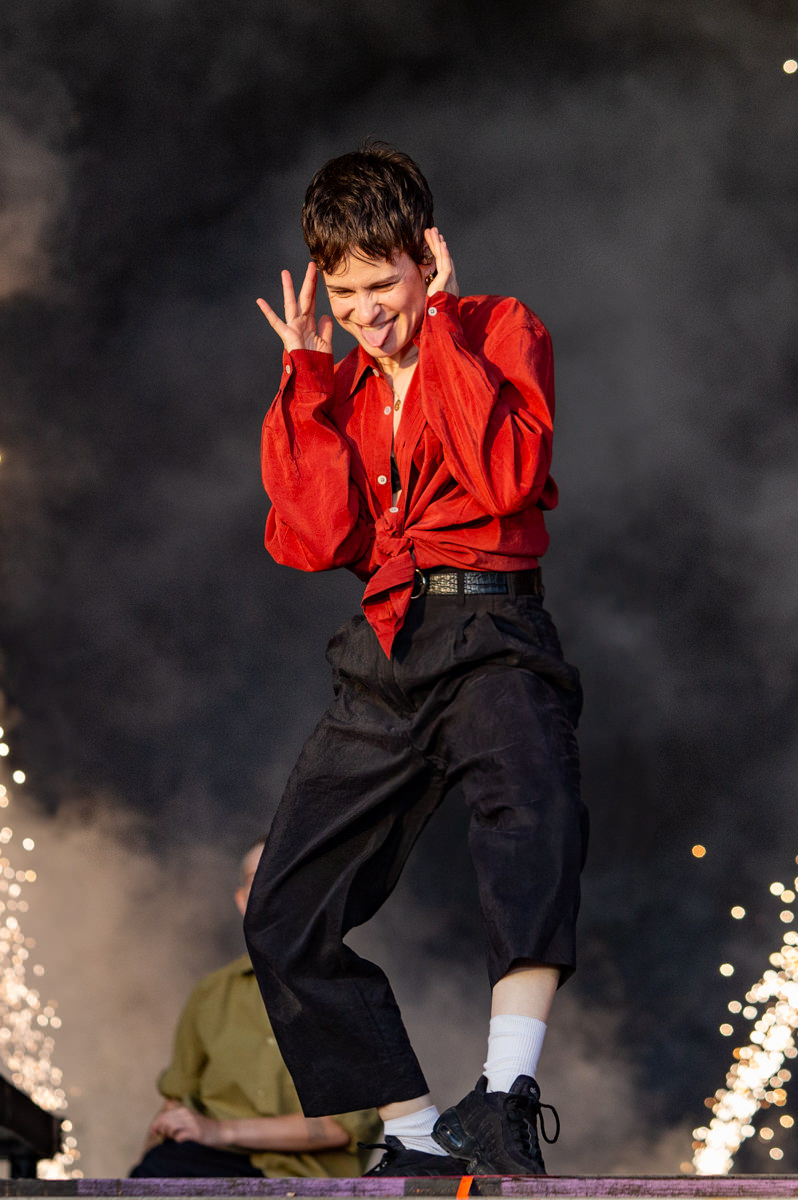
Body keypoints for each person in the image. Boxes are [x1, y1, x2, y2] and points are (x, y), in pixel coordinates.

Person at [244, 142, 584, 1177]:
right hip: (386, 648)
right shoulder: (339, 383)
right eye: (344, 292)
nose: (363, 311)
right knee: (284, 914)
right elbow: (315, 538)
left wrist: (437, 330)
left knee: (534, 822)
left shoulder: (496, 330)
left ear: (426, 260)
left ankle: (508, 1097)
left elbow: (504, 475)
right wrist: (307, 380)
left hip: (490, 632)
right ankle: (408, 1129)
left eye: (382, 284)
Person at [131, 841, 381, 1178]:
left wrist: (220, 1131)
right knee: (156, 1171)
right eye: (257, 877)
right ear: (241, 900)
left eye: (284, 875)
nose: (271, 888)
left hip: (302, 1180)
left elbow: (345, 1126)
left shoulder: (349, 994)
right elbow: (174, 1104)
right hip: (205, 1164)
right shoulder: (211, 993)